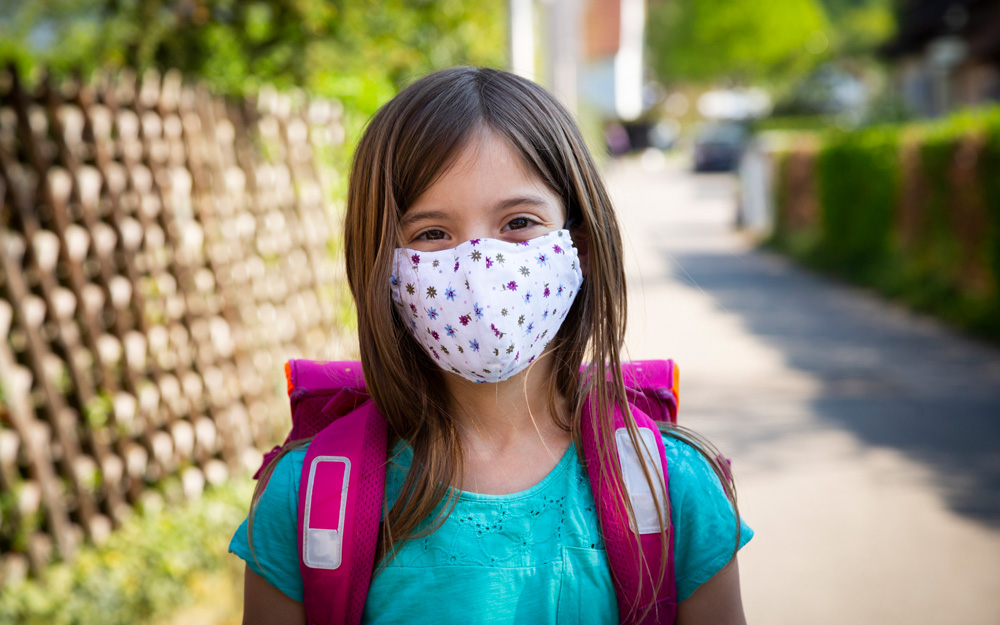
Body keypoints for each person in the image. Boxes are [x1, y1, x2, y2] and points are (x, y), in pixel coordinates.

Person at [229, 66, 752, 624]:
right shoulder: (306, 503)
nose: (479, 268)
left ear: (582, 243)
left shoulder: (672, 488)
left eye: (518, 223)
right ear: (381, 265)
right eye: (432, 234)